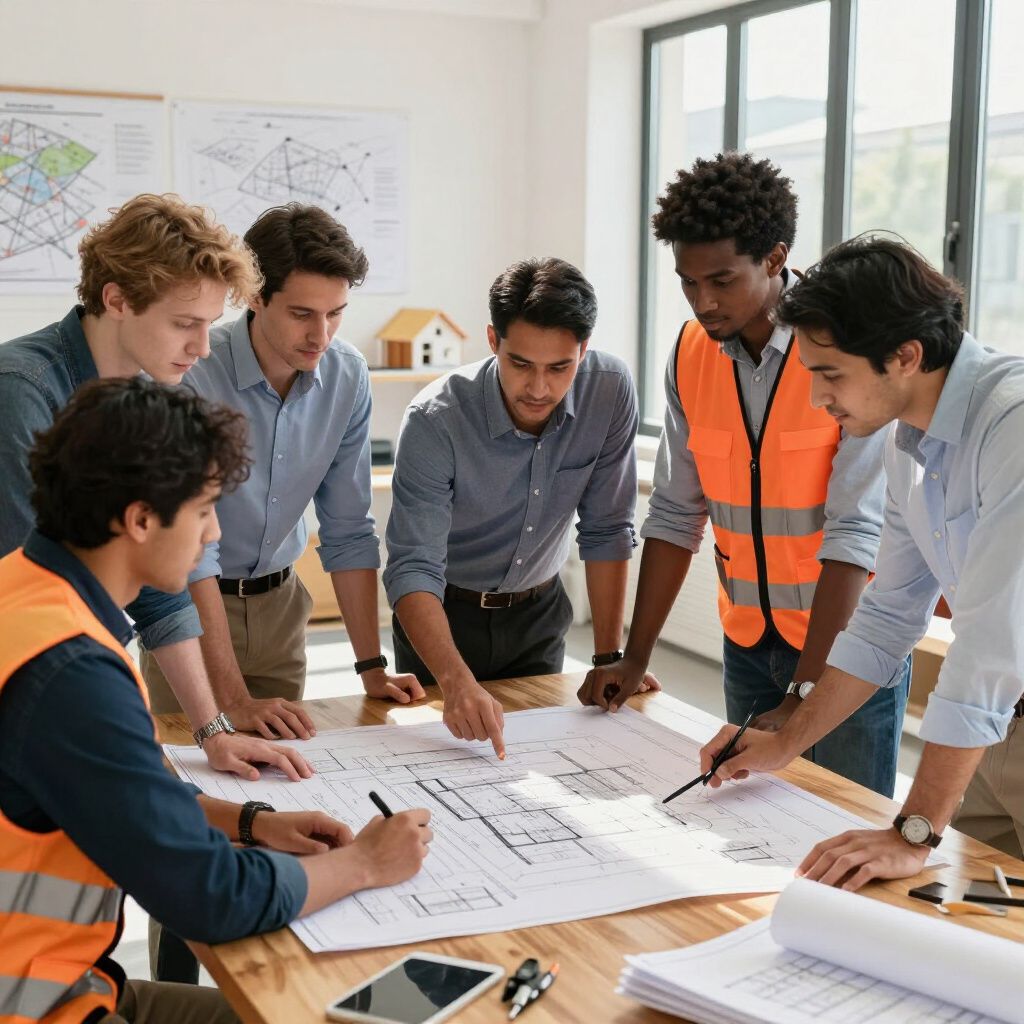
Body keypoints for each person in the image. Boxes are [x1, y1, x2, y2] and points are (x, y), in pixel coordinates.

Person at [0, 378, 432, 1024]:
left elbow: (122, 790)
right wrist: (364, 864)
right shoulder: (71, 673)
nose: (215, 533)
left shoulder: (27, 590)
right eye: (203, 509)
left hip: (69, 981)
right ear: (140, 520)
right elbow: (209, 897)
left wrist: (252, 822)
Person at [579, 153, 909, 797]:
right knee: (752, 831)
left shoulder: (848, 353)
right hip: (747, 644)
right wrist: (635, 653)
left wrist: (804, 696)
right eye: (687, 281)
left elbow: (855, 534)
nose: (704, 300)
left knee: (845, 831)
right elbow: (676, 512)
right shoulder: (689, 352)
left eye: (723, 279)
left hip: (844, 655)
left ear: (775, 257)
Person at [699, 234, 1024, 887]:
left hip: (995, 698)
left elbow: (990, 645)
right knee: (956, 919)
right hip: (999, 732)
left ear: (904, 356)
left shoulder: (1012, 423)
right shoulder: (906, 443)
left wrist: (914, 828)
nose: (819, 400)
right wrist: (785, 741)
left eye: (830, 374)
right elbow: (886, 620)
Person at [0, 193, 312, 782]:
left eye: (209, 326)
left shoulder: (152, 397)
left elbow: (163, 580)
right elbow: (41, 593)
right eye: (184, 324)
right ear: (117, 299)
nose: (200, 348)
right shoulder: (21, 390)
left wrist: (213, 732)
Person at [140, 203, 424, 726]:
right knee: (193, 786)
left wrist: (371, 667)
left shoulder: (348, 376)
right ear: (253, 296)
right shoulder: (191, 373)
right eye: (301, 314)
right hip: (191, 607)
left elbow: (348, 529)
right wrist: (231, 698)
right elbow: (193, 551)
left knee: (285, 776)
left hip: (283, 606)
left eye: (335, 312)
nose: (322, 335)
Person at [384, 257, 641, 758]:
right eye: (520, 364)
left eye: (560, 367)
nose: (539, 388)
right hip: (443, 616)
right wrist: (455, 682)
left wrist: (611, 657)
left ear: (583, 350)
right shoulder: (435, 420)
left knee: (533, 762)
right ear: (492, 341)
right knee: (441, 768)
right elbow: (412, 567)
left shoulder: (609, 390)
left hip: (538, 615)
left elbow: (608, 528)